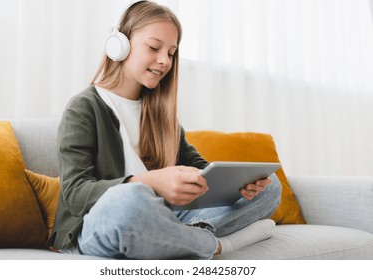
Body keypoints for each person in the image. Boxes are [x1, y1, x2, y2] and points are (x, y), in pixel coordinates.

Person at [48, 0, 281, 259]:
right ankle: (216, 245)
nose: (164, 61)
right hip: (99, 225)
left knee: (271, 187)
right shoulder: (84, 108)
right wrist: (149, 181)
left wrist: (234, 186)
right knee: (130, 200)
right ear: (120, 44)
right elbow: (75, 193)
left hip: (163, 215)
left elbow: (199, 170)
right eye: (154, 47)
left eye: (171, 52)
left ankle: (171, 236)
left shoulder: (162, 116)